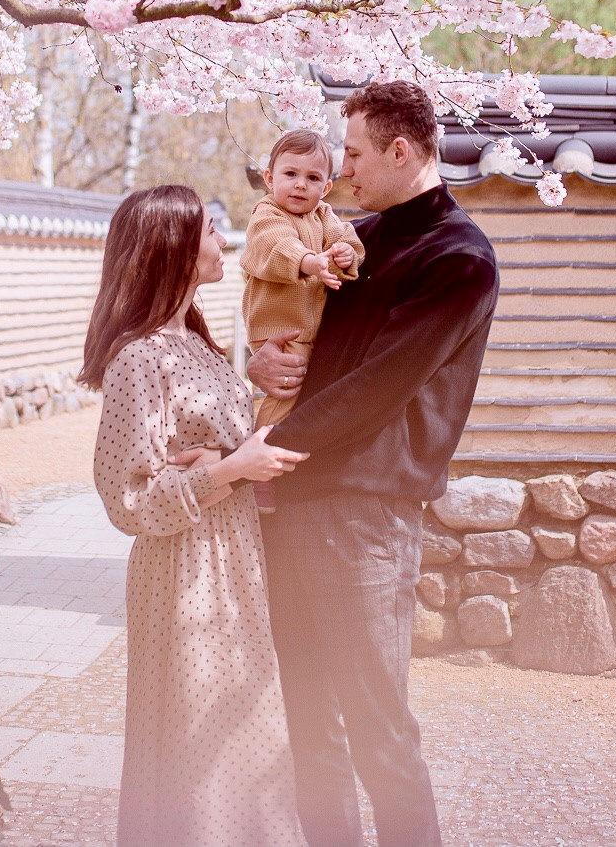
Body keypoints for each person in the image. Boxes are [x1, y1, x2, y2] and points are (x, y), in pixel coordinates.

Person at [247, 80, 500, 847]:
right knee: (309, 727)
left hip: (365, 515)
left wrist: (260, 454)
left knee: (378, 730)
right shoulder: (350, 240)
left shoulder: (459, 259)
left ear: (399, 150)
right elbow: (288, 325)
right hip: (294, 497)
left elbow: (375, 389)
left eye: (352, 154)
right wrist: (258, 364)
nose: (341, 171)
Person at [81, 184, 310, 847]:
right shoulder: (138, 357)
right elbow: (128, 500)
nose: (224, 241)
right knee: (196, 733)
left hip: (233, 558)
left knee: (243, 726)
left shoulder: (195, 341)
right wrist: (228, 470)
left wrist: (247, 380)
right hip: (183, 569)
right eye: (211, 230)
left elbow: (205, 435)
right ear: (172, 249)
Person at [240, 129, 365, 512]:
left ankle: (289, 465)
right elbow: (275, 246)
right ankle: (255, 472)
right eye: (290, 174)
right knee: (283, 396)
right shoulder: (267, 215)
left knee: (310, 399)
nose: (300, 185)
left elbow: (348, 239)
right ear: (269, 178)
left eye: (312, 178)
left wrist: (345, 254)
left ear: (326, 188)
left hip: (313, 330)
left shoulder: (324, 216)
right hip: (279, 330)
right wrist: (311, 262)